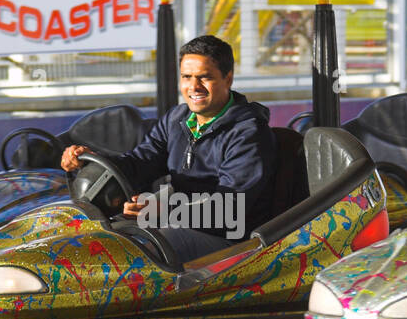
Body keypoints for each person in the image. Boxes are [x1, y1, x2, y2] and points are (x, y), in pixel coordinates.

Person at [60, 35, 276, 263]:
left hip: (233, 241)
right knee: (101, 235)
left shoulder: (248, 133)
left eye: (205, 78)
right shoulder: (178, 119)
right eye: (187, 77)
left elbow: (230, 210)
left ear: (228, 79)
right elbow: (139, 164)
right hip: (179, 220)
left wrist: (166, 211)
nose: (194, 87)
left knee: (145, 249)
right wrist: (89, 160)